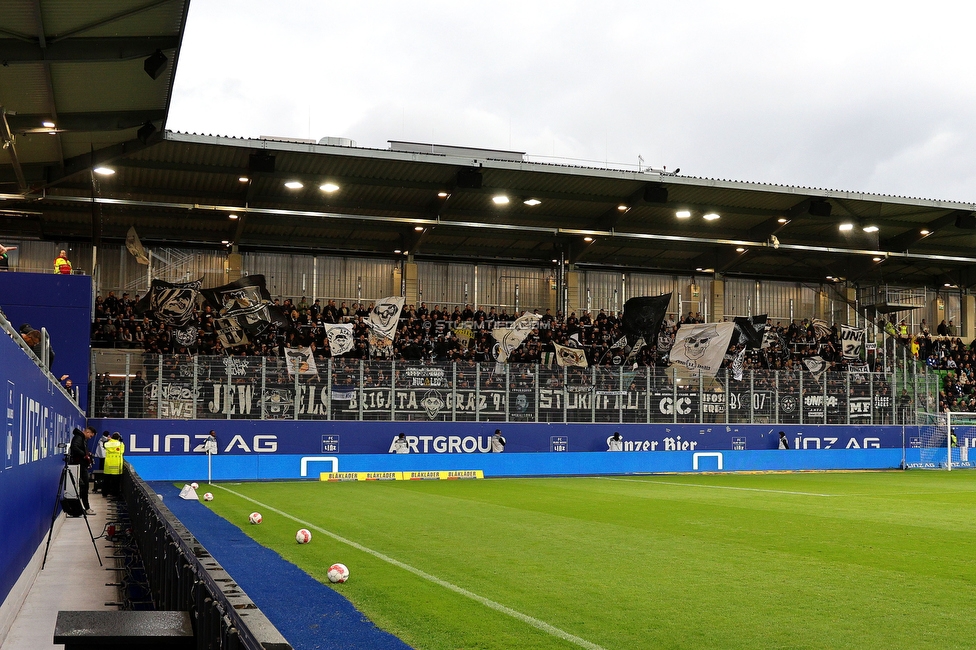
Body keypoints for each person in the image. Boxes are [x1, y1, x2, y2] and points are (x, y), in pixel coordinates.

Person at [68, 426, 95, 515]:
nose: (90, 438)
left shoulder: (81, 438)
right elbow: (74, 447)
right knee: (84, 487)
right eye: (90, 436)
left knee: (84, 487)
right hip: (79, 466)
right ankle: (86, 508)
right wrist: (84, 455)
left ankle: (85, 508)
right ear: (87, 432)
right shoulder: (78, 438)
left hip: (81, 465)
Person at [103, 433, 125, 497]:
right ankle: (115, 494)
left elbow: (104, 444)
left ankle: (105, 493)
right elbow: (121, 452)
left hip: (108, 465)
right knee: (116, 482)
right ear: (118, 438)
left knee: (106, 481)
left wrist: (109, 440)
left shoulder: (107, 444)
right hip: (116, 465)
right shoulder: (121, 444)